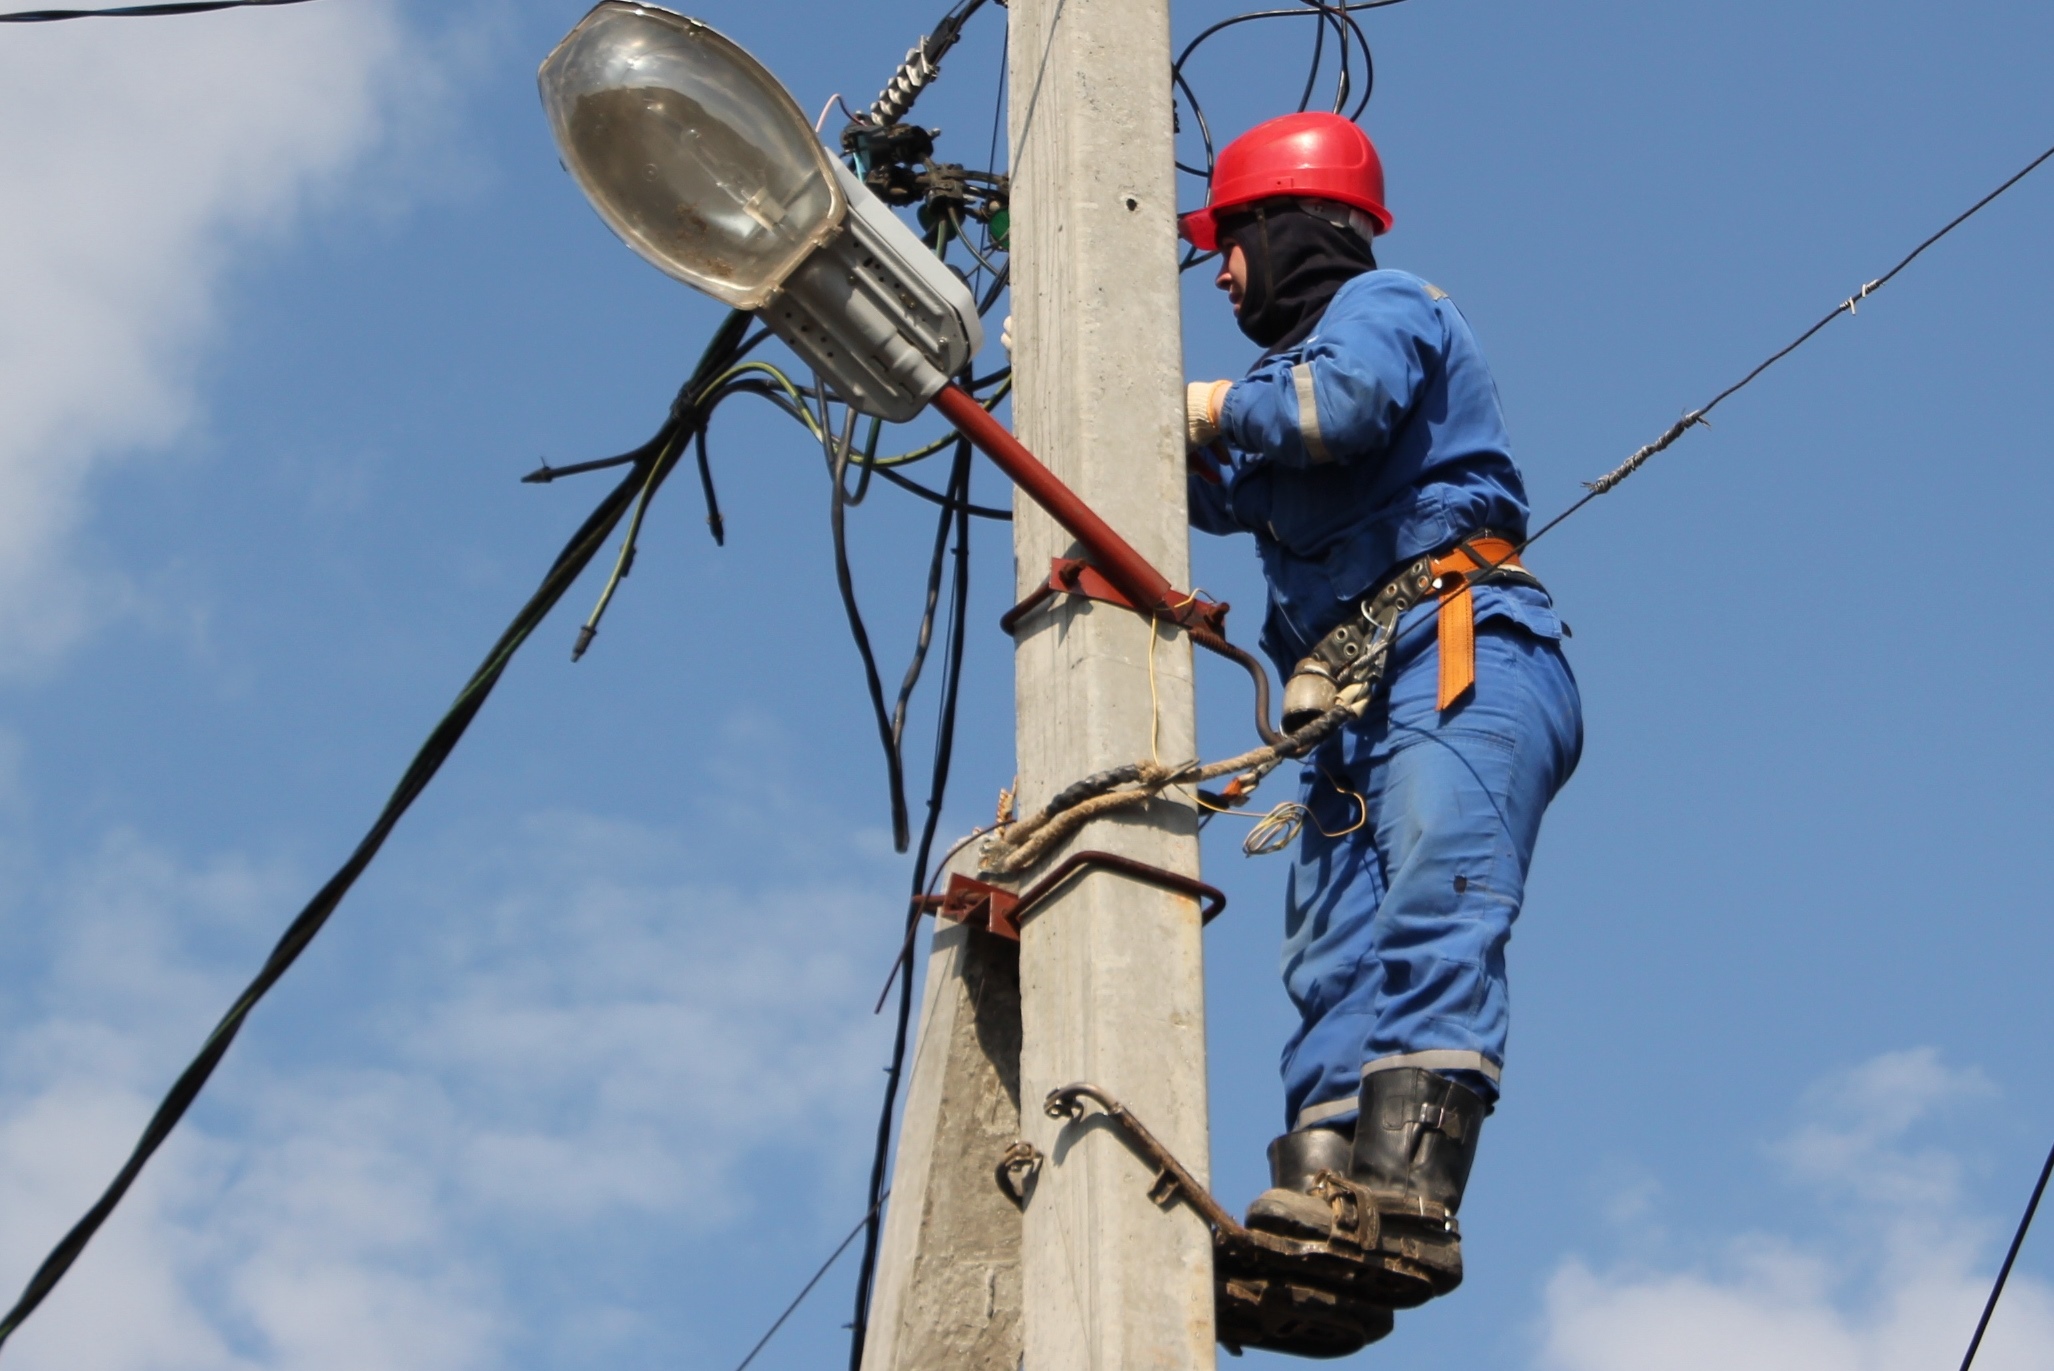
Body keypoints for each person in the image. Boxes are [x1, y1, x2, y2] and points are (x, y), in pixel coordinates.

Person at [1180, 112, 1583, 1297]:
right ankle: (1319, 1209)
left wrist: (1197, 407)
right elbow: (1214, 484)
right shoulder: (1271, 383)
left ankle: (1406, 1197)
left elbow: (1327, 412)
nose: (1219, 270)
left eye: (1228, 239)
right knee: (1329, 956)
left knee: (1430, 894)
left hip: (1458, 649)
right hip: (1350, 705)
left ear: (1284, 223)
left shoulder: (1386, 307)